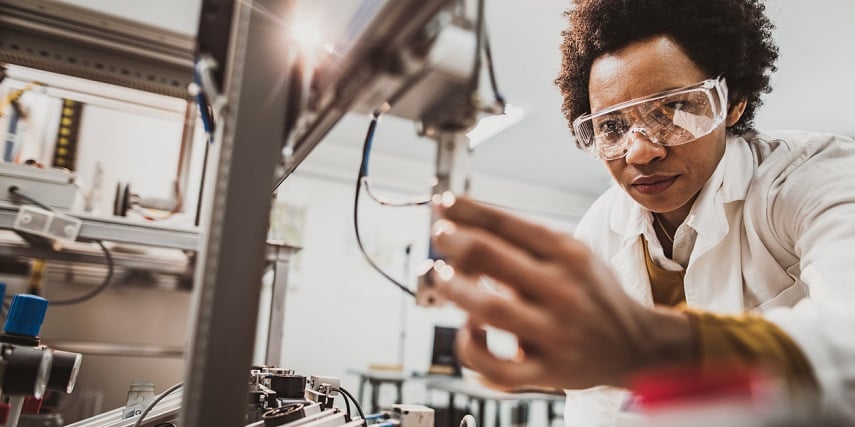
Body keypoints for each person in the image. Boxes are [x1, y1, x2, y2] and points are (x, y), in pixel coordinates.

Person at [427, 0, 855, 425]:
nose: (641, 151)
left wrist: (653, 345)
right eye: (612, 126)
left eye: (671, 110)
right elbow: (599, 405)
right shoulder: (599, 229)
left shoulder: (812, 177)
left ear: (733, 101)